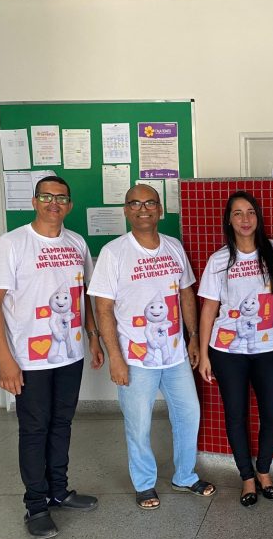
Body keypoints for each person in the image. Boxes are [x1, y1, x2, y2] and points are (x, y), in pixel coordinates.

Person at [0, 174, 104, 539]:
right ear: (34, 202)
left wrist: (93, 338)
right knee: (35, 429)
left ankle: (58, 491)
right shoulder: (11, 244)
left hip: (69, 353)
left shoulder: (76, 242)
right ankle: (36, 505)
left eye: (61, 198)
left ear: (69, 204)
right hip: (29, 359)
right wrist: (5, 359)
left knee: (62, 423)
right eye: (47, 197)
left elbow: (83, 296)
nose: (54, 203)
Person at [89, 184, 215, 511]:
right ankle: (144, 483)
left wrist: (192, 337)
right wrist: (115, 357)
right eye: (135, 203)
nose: (142, 209)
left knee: (188, 415)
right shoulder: (114, 253)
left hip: (174, 355)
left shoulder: (173, 247)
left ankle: (184, 476)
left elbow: (185, 294)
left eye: (149, 203)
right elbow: (103, 308)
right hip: (135, 359)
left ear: (160, 209)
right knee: (139, 424)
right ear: (126, 210)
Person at [197, 191, 273, 507]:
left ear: (258, 217)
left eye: (250, 212)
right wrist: (204, 354)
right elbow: (209, 309)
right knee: (235, 414)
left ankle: (263, 470)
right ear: (229, 220)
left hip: (270, 348)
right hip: (227, 351)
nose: (245, 219)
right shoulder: (219, 260)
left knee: (272, 413)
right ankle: (246, 477)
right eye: (237, 213)